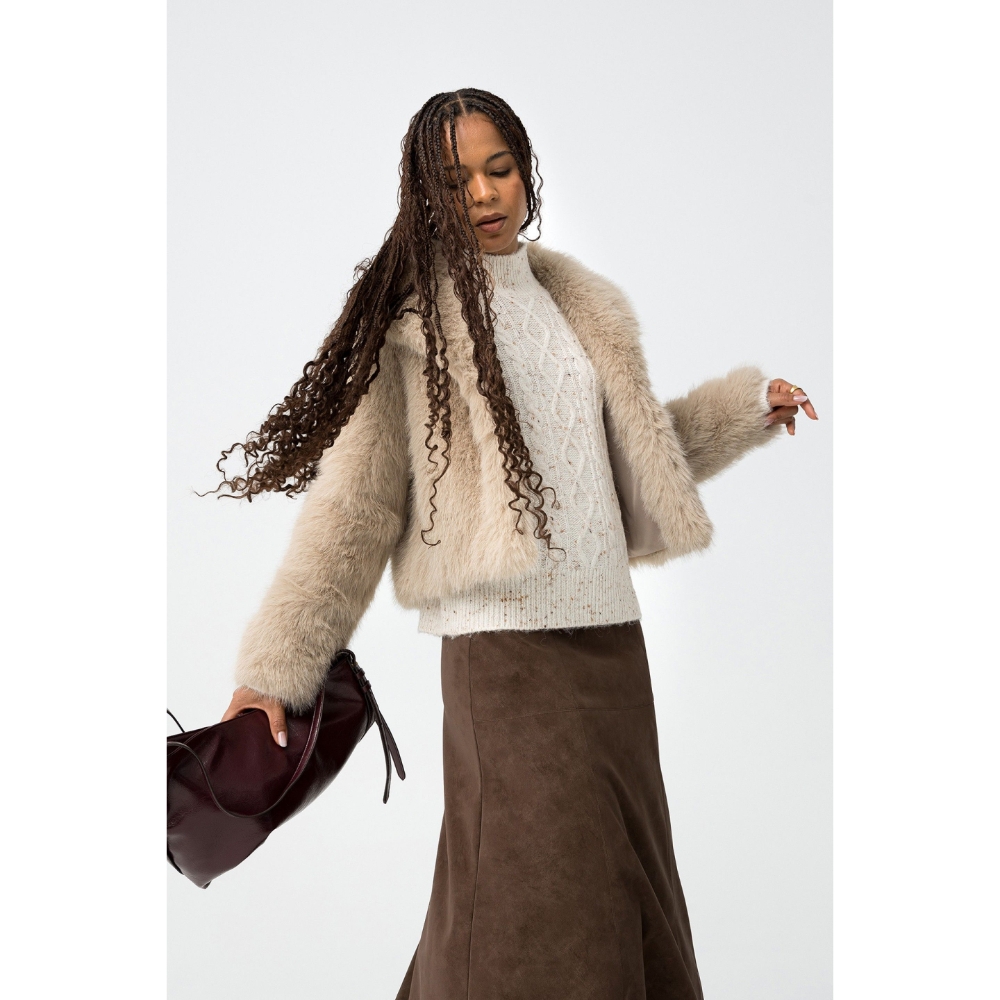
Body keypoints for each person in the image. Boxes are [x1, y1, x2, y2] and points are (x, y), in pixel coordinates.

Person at [217, 88, 818, 999]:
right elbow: (355, 510)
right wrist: (274, 671)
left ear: (526, 171)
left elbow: (633, 459)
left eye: (499, 169)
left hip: (611, 642)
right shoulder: (413, 329)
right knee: (529, 899)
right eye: (458, 180)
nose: (485, 193)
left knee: (622, 887)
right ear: (427, 198)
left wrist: (748, 410)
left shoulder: (578, 304)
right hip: (503, 654)